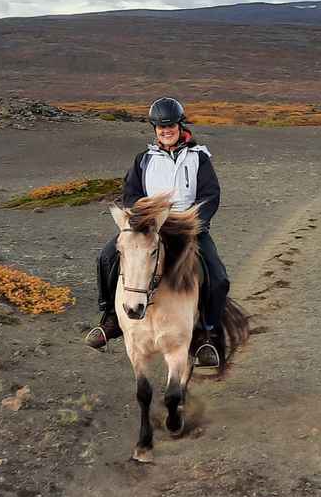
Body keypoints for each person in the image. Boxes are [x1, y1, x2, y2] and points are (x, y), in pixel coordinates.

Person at [84, 97, 232, 368]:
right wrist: (141, 219)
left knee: (218, 277)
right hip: (149, 228)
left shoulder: (199, 157)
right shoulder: (143, 160)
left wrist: (195, 222)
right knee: (106, 257)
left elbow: (210, 194)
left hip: (187, 229)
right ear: (154, 129)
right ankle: (110, 320)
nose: (166, 131)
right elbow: (130, 194)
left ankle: (207, 333)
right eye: (160, 127)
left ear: (180, 125)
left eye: (170, 125)